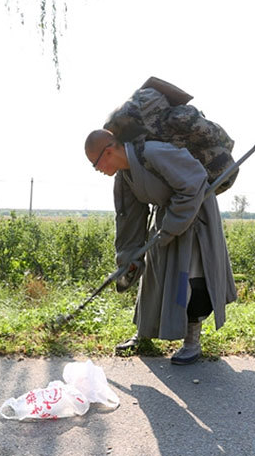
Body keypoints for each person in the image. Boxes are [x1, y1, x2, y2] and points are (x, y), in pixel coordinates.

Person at [85, 129, 237, 364]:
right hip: (166, 220)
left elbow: (194, 183)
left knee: (188, 281)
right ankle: (143, 334)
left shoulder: (156, 153)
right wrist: (128, 258)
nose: (98, 171)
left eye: (96, 165)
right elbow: (128, 218)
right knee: (152, 277)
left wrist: (170, 226)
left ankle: (192, 343)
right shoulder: (124, 176)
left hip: (195, 218)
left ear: (109, 150)